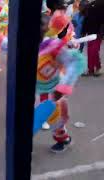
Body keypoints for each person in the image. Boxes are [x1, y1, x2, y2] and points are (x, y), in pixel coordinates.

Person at [35, 12, 86, 153]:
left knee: (54, 118)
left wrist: (62, 88)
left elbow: (75, 62)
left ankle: (63, 139)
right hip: (36, 87)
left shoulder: (52, 45)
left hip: (51, 88)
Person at [82, 0, 104, 76]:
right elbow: (86, 18)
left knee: (93, 50)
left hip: (99, 32)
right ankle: (92, 69)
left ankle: (96, 68)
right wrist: (83, 31)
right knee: (90, 50)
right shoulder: (91, 4)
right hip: (90, 31)